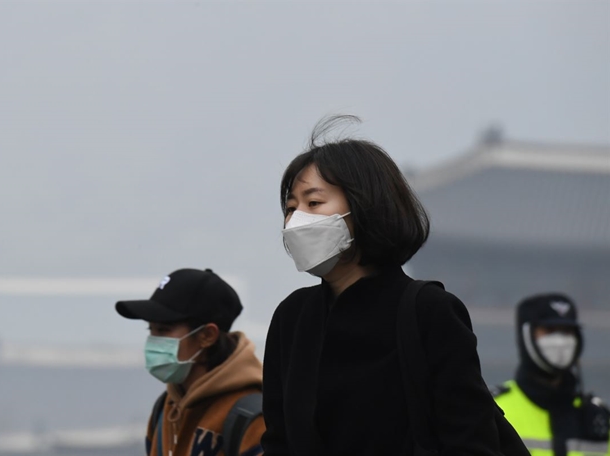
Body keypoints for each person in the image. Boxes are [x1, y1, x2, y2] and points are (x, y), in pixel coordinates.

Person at [261, 115, 515, 455]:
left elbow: (470, 441)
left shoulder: (429, 312)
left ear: (365, 206)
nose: (296, 220)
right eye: (291, 208)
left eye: (314, 203)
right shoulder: (293, 318)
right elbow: (279, 440)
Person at [116, 268, 264, 456]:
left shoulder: (251, 415)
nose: (153, 340)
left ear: (207, 336)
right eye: (150, 329)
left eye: (163, 330)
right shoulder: (165, 408)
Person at [492, 293, 610, 456]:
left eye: (567, 331)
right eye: (549, 330)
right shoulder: (495, 409)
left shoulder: (598, 419)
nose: (560, 341)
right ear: (526, 335)